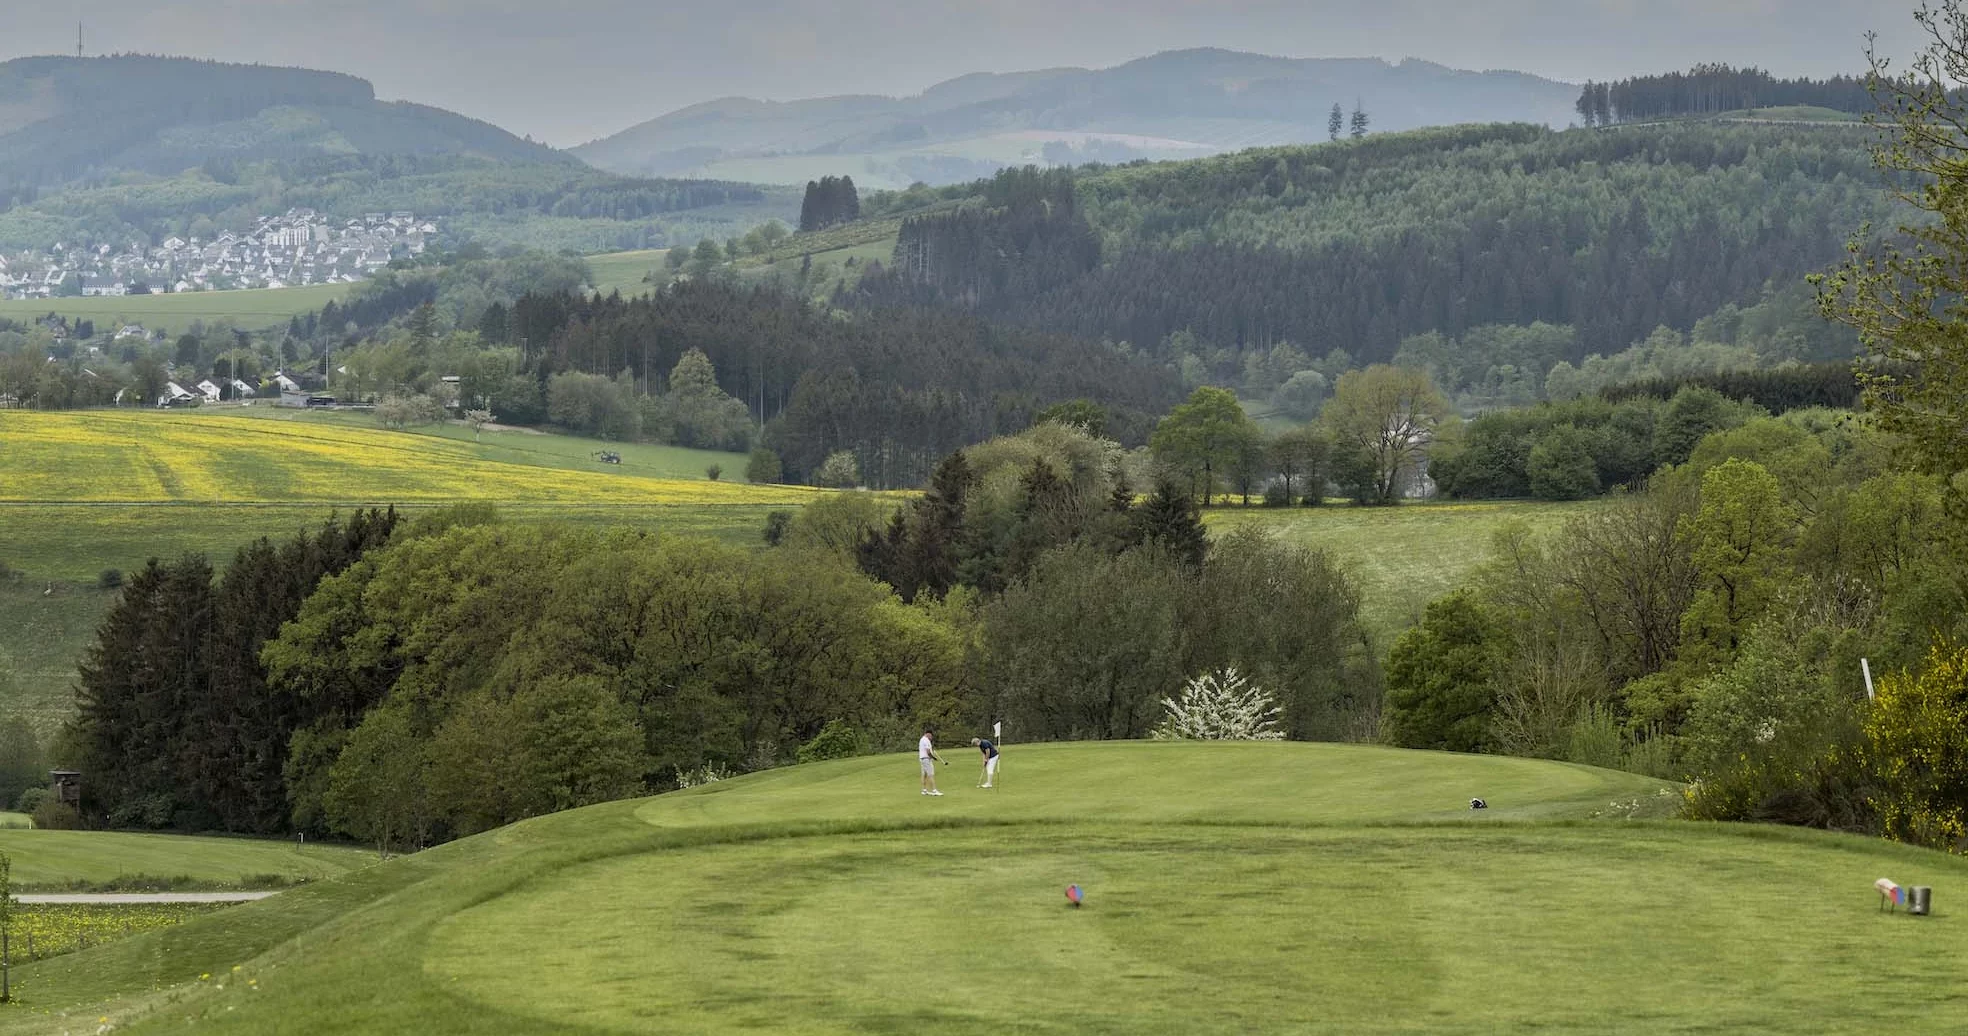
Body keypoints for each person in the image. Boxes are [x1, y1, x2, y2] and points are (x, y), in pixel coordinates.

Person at [919, 727, 944, 796]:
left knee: (924, 775)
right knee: (931, 774)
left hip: (922, 759)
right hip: (926, 759)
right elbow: (928, 751)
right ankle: (934, 790)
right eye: (931, 736)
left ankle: (924, 790)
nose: (931, 737)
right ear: (928, 734)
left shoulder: (922, 739)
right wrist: (933, 757)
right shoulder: (926, 740)